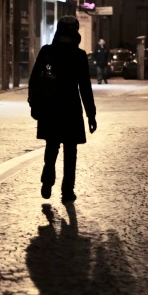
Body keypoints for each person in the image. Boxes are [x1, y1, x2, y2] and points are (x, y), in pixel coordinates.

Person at [28, 16, 97, 203]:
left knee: (52, 145)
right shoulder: (79, 55)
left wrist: (33, 103)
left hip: (50, 107)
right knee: (70, 151)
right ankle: (67, 191)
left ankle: (47, 179)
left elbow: (34, 79)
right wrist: (91, 115)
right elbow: (85, 87)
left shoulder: (47, 52)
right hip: (71, 109)